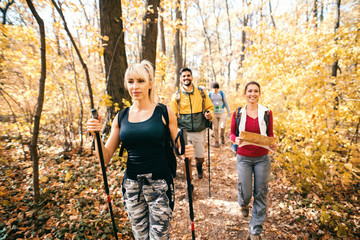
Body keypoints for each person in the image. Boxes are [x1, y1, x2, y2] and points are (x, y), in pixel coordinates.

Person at [86, 60, 194, 240]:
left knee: (159, 237)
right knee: (140, 237)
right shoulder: (121, 117)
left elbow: (178, 147)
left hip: (160, 186)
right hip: (132, 187)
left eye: (140, 81)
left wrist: (185, 151)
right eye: (130, 81)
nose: (134, 86)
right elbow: (104, 158)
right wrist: (95, 136)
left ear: (150, 83)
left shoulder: (165, 113)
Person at [230, 81, 277, 240]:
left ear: (259, 94)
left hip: (262, 158)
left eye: (256, 91)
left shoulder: (267, 112)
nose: (253, 94)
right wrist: (234, 139)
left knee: (260, 193)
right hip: (243, 157)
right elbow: (231, 134)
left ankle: (255, 231)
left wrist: (272, 144)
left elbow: (270, 134)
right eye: (250, 91)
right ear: (245, 94)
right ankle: (243, 202)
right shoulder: (238, 113)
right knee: (247, 193)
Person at [170, 67, 214, 182]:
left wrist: (210, 114)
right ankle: (189, 184)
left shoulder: (201, 92)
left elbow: (210, 108)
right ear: (181, 78)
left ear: (192, 77)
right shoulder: (176, 96)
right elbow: (172, 115)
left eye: (188, 75)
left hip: (199, 131)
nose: (186, 78)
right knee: (186, 159)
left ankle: (199, 166)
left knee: (199, 158)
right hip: (184, 132)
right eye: (184, 76)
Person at [208, 82, 231, 147]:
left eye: (215, 89)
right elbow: (208, 104)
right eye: (213, 89)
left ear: (217, 88)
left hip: (222, 112)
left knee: (222, 126)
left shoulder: (221, 93)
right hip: (214, 113)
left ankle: (222, 137)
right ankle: (216, 142)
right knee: (215, 128)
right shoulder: (209, 94)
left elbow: (226, 103)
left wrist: (229, 111)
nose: (214, 90)